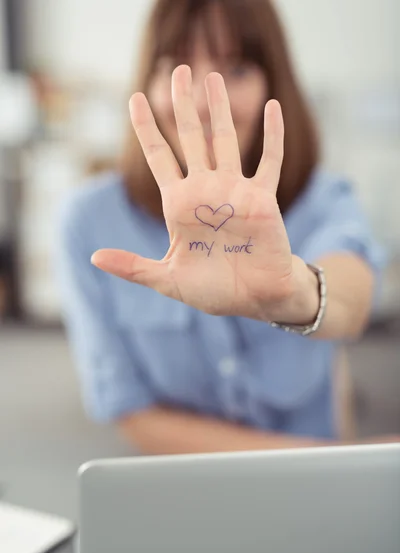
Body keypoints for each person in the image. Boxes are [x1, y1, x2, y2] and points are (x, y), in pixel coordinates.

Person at [56, 0, 388, 455]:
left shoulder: (322, 199)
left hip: (315, 499)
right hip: (184, 499)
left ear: (275, 84)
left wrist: (292, 293)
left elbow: (354, 300)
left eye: (236, 70)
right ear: (147, 82)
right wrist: (310, 465)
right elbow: (131, 410)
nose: (204, 103)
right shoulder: (88, 220)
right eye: (178, 69)